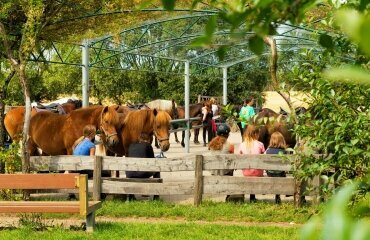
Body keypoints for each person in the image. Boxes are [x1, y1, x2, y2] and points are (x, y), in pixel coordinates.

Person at [238, 125, 265, 202]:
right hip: (257, 172)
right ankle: (252, 197)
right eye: (258, 134)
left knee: (249, 169)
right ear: (255, 134)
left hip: (246, 172)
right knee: (256, 168)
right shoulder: (260, 144)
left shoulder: (242, 144)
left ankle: (252, 196)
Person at [264, 131, 287, 204]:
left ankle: (277, 195)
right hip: (280, 174)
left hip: (270, 173)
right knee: (282, 172)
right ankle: (278, 195)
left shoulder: (267, 150)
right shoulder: (284, 152)